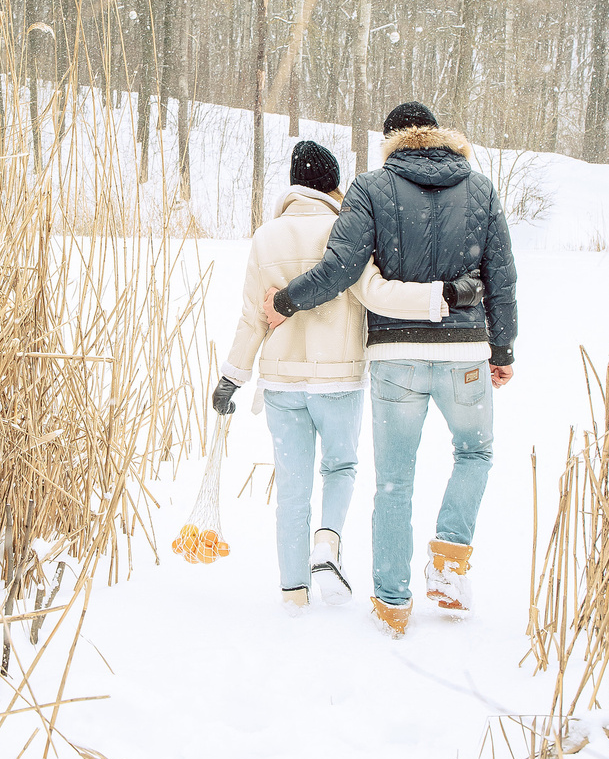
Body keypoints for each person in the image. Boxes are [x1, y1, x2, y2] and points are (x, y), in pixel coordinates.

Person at [263, 102, 519, 638]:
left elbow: (339, 269)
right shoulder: (480, 189)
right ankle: (449, 562)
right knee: (475, 453)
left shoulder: (372, 188)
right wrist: (503, 350)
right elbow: (502, 275)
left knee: (394, 483)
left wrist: (286, 300)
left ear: (391, 141)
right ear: (437, 136)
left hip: (394, 357)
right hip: (465, 355)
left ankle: (392, 603)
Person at [214, 140, 471, 610]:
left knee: (292, 487)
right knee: (341, 466)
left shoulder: (266, 237)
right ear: (331, 185)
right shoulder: (345, 229)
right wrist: (436, 301)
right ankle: (327, 543)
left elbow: (253, 317)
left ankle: (294, 593)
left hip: (282, 382)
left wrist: (232, 376)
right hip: (338, 380)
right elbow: (373, 294)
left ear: (292, 187)